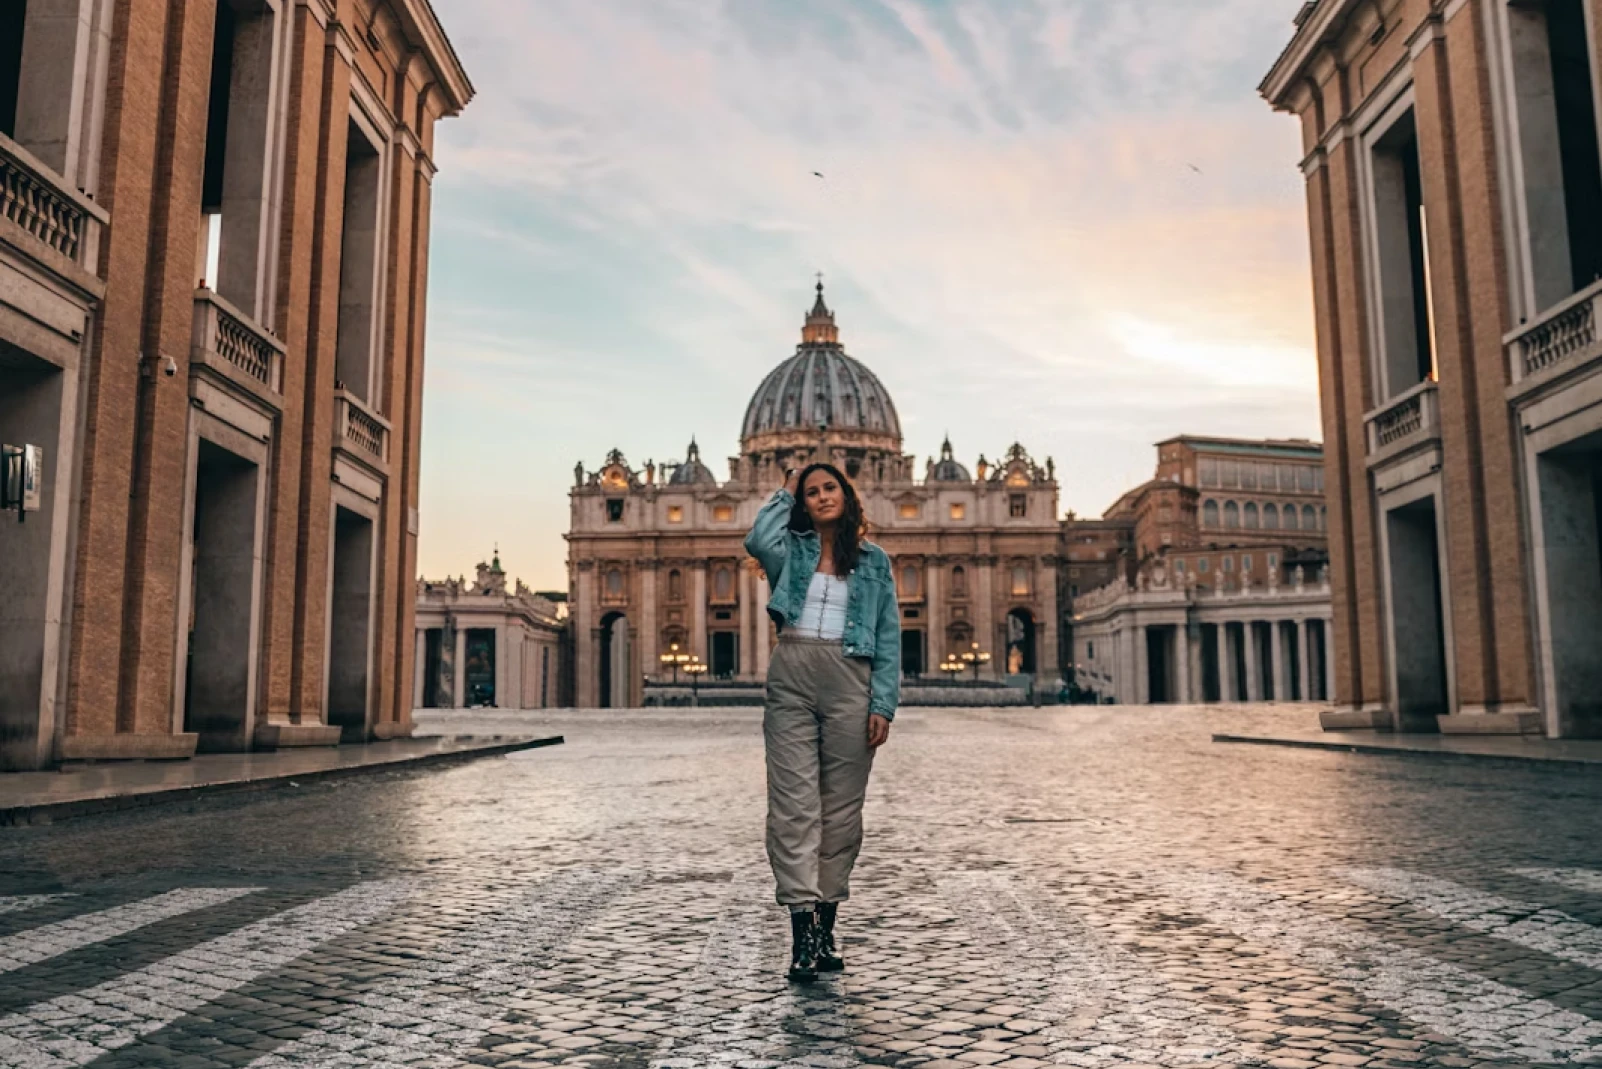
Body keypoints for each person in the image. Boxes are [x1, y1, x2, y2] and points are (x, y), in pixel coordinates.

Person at [743, 462, 900, 983]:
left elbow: (889, 637)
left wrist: (883, 704)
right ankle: (801, 935)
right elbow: (757, 536)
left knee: (841, 814)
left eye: (829, 487)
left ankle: (827, 922)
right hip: (792, 671)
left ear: (847, 494)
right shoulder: (790, 552)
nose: (821, 496)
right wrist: (785, 491)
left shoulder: (876, 562)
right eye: (811, 492)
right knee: (791, 806)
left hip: (850, 678)